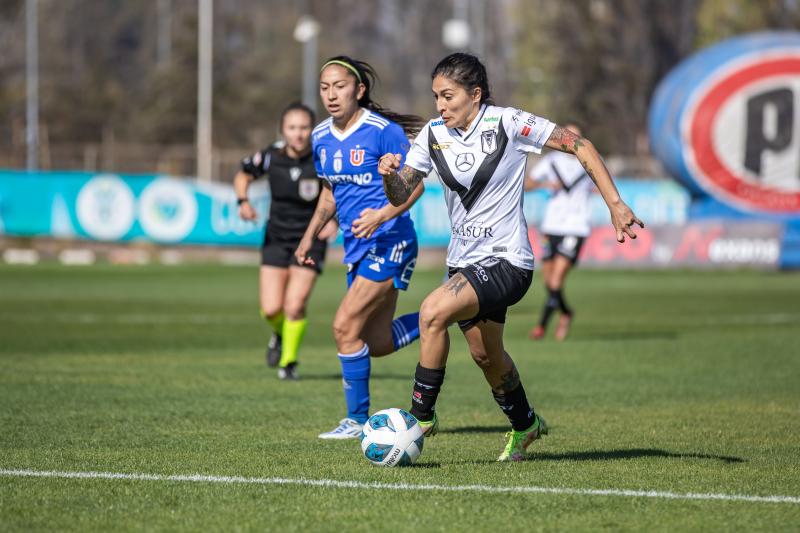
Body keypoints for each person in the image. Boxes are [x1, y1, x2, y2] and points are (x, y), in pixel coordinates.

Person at [379, 53, 643, 461]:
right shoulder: (432, 134)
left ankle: (420, 418)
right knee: (487, 356)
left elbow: (579, 145)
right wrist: (389, 176)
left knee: (432, 312)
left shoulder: (507, 122)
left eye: (448, 96)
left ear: (475, 94)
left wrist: (615, 203)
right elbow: (401, 194)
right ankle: (526, 425)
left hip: (507, 260)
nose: (439, 106)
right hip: (463, 262)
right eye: (435, 97)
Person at [295, 56, 426, 439]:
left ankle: (357, 420)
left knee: (343, 327)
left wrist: (381, 216)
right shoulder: (320, 136)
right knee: (377, 342)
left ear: (359, 90)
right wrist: (309, 235)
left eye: (339, 86)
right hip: (356, 246)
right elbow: (329, 192)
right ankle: (437, 316)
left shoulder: (382, 131)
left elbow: (413, 185)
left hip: (391, 240)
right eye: (324, 88)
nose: (331, 95)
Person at [234, 102, 337, 381]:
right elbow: (243, 174)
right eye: (292, 127)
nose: (298, 133)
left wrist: (335, 222)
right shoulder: (270, 156)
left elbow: (341, 191)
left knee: (294, 304)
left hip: (311, 239)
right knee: (271, 308)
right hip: (276, 237)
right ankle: (279, 334)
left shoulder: (323, 157)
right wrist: (243, 201)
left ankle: (289, 362)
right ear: (283, 130)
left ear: (312, 130)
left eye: (304, 127)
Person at [524, 122, 594, 341]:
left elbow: (602, 181)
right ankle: (566, 312)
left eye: (576, 135)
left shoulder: (588, 160)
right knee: (547, 281)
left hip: (575, 227)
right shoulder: (552, 161)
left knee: (555, 281)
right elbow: (527, 184)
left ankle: (541, 326)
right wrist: (545, 186)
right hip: (551, 226)